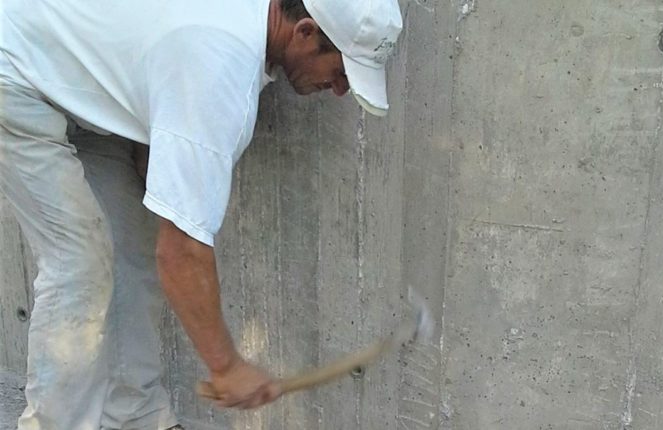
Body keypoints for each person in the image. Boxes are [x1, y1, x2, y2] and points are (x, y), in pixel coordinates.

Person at [0, 0, 403, 428]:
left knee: (131, 250)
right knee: (81, 264)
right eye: (340, 72)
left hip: (73, 81)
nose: (339, 89)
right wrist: (227, 367)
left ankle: (136, 417)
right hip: (15, 72)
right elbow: (181, 252)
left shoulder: (239, 31)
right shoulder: (219, 65)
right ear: (304, 32)